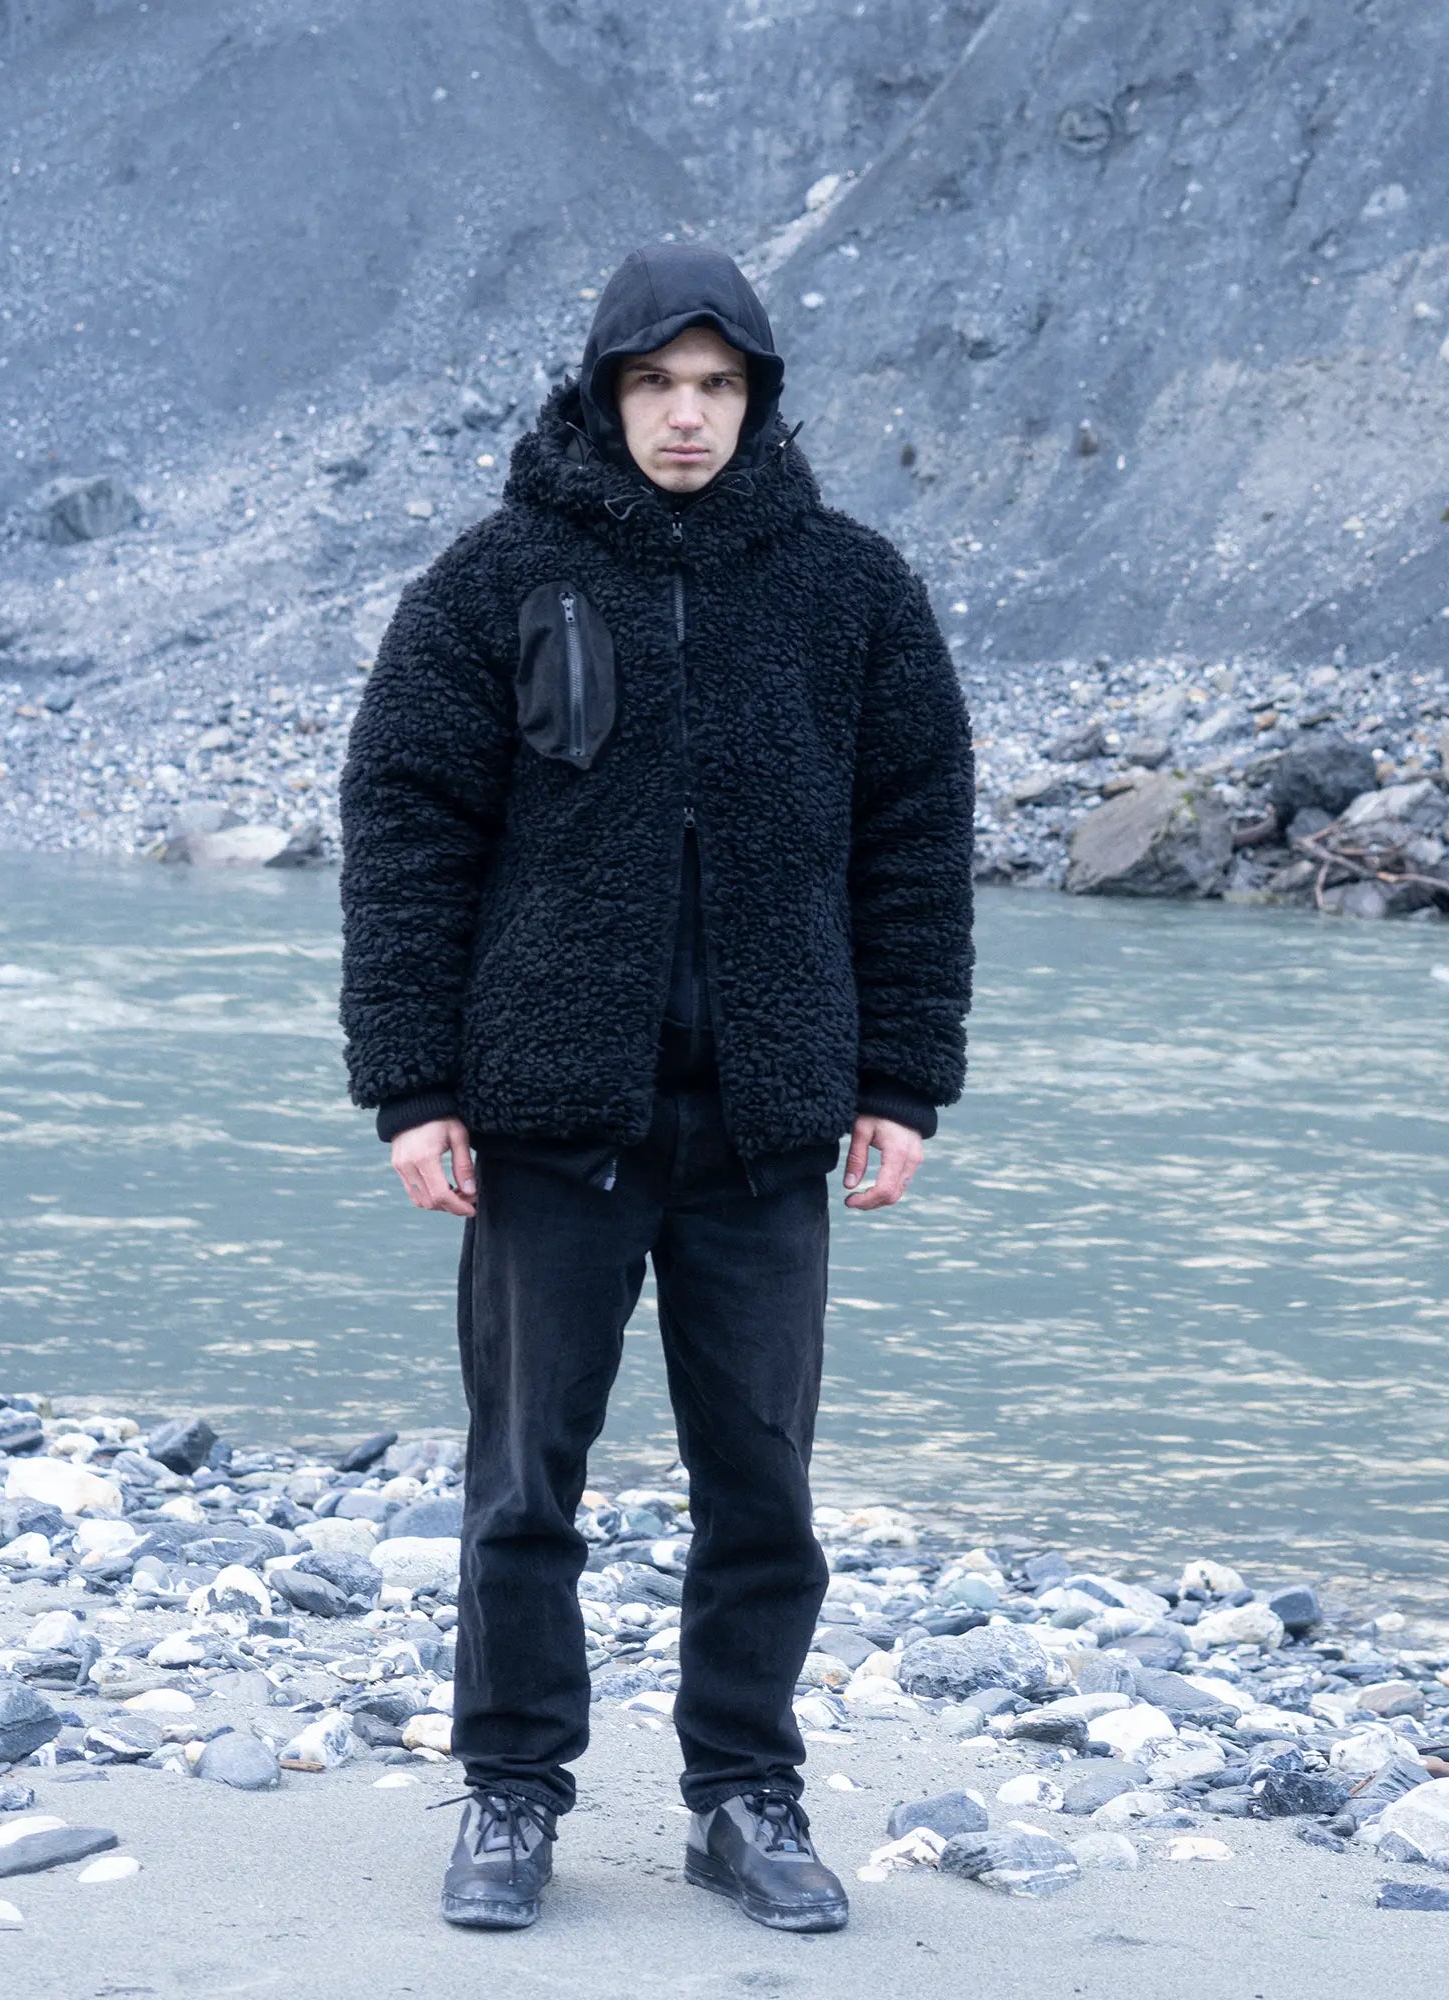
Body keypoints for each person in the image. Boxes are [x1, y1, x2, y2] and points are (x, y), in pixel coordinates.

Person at [338, 240, 975, 1934]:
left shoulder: (852, 589)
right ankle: (511, 1795)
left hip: (767, 1123)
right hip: (550, 1117)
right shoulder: (493, 579)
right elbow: (405, 830)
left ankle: (743, 1797)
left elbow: (915, 845)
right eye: (655, 384)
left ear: (756, 400)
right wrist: (413, 1086)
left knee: (761, 1485)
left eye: (716, 385)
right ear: (603, 394)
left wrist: (901, 1079)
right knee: (522, 1482)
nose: (686, 415)